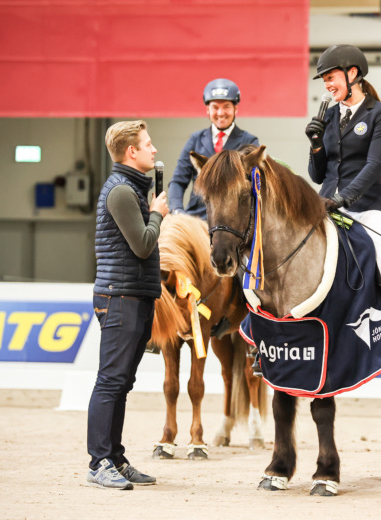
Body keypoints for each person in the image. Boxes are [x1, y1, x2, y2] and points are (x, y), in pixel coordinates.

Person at [304, 44, 381, 384]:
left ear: (352, 74)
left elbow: (373, 166)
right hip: (325, 205)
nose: (327, 86)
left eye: (331, 78)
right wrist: (316, 144)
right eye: (324, 81)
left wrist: (344, 199)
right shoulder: (330, 115)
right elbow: (318, 175)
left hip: (366, 208)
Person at [87, 120, 169, 490]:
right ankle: (98, 462)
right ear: (130, 152)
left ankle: (115, 458)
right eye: (147, 144)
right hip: (120, 297)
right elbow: (143, 245)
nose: (154, 149)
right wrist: (157, 214)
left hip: (134, 295)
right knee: (111, 381)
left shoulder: (130, 189)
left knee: (122, 382)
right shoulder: (121, 191)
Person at [168, 78, 259, 218]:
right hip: (197, 217)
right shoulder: (195, 140)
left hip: (233, 220)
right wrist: (177, 210)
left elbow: (256, 188)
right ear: (207, 110)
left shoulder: (249, 141)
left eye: (227, 106)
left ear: (236, 109)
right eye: (215, 107)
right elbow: (178, 181)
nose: (221, 113)